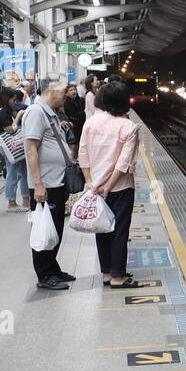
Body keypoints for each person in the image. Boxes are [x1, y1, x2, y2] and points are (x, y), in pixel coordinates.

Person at [79, 81, 146, 288]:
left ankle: (107, 273)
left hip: (95, 187)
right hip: (120, 188)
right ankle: (118, 275)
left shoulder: (90, 123)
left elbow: (83, 155)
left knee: (102, 228)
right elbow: (124, 163)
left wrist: (91, 182)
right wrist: (108, 186)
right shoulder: (129, 127)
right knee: (119, 230)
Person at [22, 87, 75, 290]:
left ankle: (53, 268)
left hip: (56, 182)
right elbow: (31, 148)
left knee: (56, 228)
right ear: (51, 90)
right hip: (45, 184)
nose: (65, 95)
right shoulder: (36, 112)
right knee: (45, 228)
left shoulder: (49, 113)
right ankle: (44, 275)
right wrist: (38, 184)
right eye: (62, 91)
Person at [0, 90, 30, 212]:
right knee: (13, 173)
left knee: (25, 172)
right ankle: (12, 202)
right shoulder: (2, 112)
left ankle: (26, 200)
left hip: (16, 146)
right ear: (6, 99)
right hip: (9, 147)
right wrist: (19, 116)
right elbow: (10, 130)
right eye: (13, 100)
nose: (15, 102)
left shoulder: (9, 111)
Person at [63, 83, 85, 155]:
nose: (73, 91)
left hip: (82, 125)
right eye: (71, 90)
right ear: (67, 93)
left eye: (74, 89)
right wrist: (83, 113)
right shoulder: (66, 102)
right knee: (74, 146)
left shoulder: (81, 100)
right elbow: (72, 113)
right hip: (73, 126)